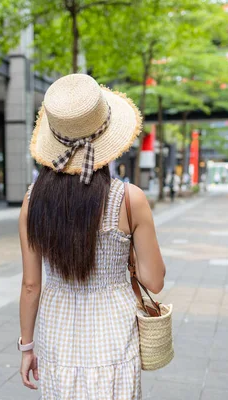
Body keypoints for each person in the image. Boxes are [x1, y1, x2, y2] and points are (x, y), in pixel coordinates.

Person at [18, 74, 166, 398]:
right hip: (114, 338)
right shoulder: (130, 200)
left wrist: (27, 345)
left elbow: (31, 285)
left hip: (58, 337)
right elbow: (153, 281)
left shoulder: (32, 202)